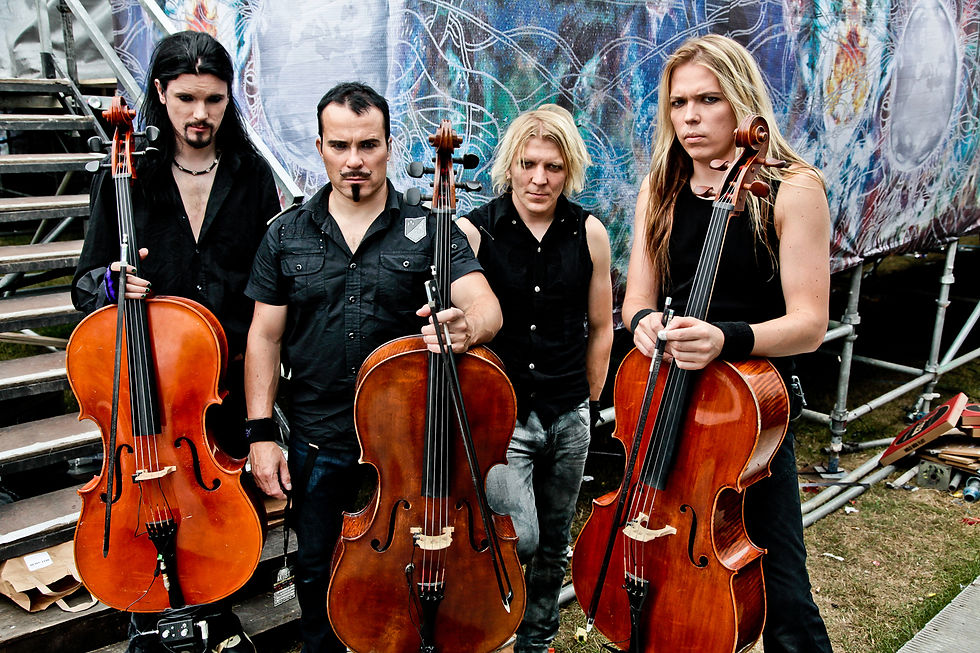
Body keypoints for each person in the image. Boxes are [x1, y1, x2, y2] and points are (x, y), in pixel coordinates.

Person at [243, 81, 502, 653]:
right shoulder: (285, 234)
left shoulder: (433, 230)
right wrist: (260, 434)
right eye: (340, 145)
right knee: (316, 568)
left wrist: (468, 326)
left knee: (408, 568)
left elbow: (486, 306)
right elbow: (264, 336)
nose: (354, 160)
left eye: (368, 144)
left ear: (389, 146)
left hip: (409, 447)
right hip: (318, 437)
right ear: (320, 147)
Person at [621, 34, 833, 652]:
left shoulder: (793, 188)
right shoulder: (661, 186)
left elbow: (810, 325)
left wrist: (726, 339)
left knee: (784, 592)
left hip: (751, 411)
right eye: (678, 102)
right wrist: (645, 325)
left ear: (741, 101)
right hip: (667, 397)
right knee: (658, 572)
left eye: (708, 100)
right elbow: (636, 301)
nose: (690, 117)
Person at [71, 30, 281, 653]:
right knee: (148, 503)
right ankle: (149, 615)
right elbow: (85, 283)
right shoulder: (127, 174)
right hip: (151, 386)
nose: (200, 114)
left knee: (221, 513)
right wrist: (112, 283)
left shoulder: (251, 174)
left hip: (226, 381)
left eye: (214, 99)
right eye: (186, 98)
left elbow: (268, 281)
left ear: (228, 98)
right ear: (160, 93)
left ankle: (215, 616)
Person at [455, 104, 614, 653]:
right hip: (506, 418)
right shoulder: (476, 230)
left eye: (553, 166)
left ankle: (536, 640)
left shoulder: (589, 231)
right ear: (510, 166)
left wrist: (589, 403)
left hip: (568, 412)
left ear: (569, 169)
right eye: (528, 164)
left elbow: (602, 327)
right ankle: (491, 627)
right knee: (516, 537)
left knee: (554, 543)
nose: (539, 178)